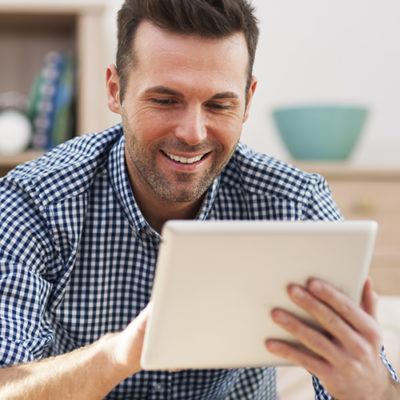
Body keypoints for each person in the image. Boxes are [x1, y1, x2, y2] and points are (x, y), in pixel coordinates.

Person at [0, 0, 398, 399]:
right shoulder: (35, 201)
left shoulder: (297, 205)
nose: (192, 132)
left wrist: (371, 386)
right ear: (115, 90)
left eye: (219, 105)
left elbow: (374, 387)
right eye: (165, 100)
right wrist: (119, 355)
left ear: (247, 100)